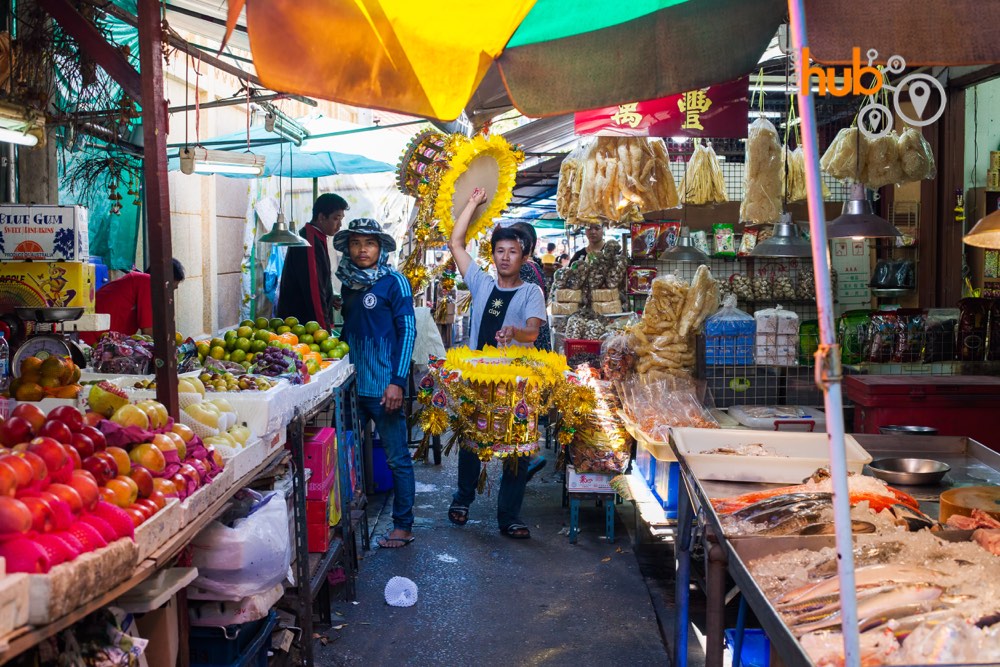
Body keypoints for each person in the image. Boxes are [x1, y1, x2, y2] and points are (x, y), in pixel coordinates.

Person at [447, 189, 546, 540]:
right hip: (479, 379)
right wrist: (472, 203)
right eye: (500, 251)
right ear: (493, 256)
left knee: (517, 447)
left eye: (513, 252)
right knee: (472, 442)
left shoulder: (531, 293)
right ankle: (462, 499)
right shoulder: (481, 283)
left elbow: (533, 333)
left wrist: (514, 331)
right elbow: (456, 243)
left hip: (517, 382)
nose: (505, 258)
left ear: (524, 257)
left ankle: (509, 517)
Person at [334, 218, 417, 549]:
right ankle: (348, 521)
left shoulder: (395, 282)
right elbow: (350, 329)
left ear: (380, 248)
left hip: (385, 390)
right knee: (346, 456)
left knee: (397, 458)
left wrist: (397, 382)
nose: (362, 249)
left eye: (369, 243)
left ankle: (403, 525)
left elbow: (407, 332)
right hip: (352, 389)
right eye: (355, 243)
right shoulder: (348, 284)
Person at [275, 193, 348, 329]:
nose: (340, 225)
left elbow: (316, 280)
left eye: (341, 219)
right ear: (321, 217)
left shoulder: (317, 237)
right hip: (302, 326)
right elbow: (314, 290)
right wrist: (323, 330)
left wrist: (329, 297)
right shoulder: (309, 242)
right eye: (336, 218)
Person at [79, 259, 185, 345]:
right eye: (171, 288)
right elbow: (149, 331)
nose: (169, 295)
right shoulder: (148, 282)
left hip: (99, 341)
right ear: (164, 281)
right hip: (89, 340)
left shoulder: (140, 283)